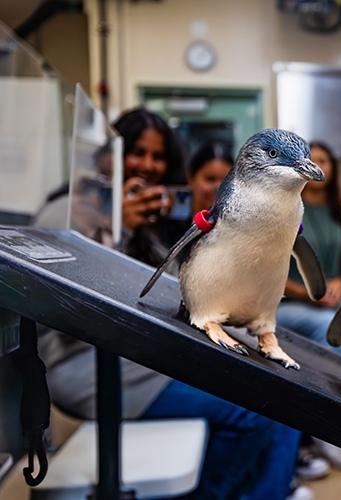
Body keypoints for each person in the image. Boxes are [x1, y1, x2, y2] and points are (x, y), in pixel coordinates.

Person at [34, 108, 307, 500]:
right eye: (136, 152)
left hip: (142, 352)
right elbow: (77, 295)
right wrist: (121, 228)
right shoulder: (73, 208)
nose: (147, 164)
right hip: (93, 363)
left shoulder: (158, 212)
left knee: (281, 395)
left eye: (158, 156)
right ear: (110, 152)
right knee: (266, 408)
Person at [276, 141, 341, 473]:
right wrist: (308, 294)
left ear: (332, 167)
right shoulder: (284, 208)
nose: (318, 164)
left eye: (324, 159)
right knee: (329, 331)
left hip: (330, 301)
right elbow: (269, 271)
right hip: (288, 303)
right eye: (312, 159)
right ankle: (331, 429)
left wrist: (340, 282)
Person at [187, 142, 234, 216]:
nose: (218, 187)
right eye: (210, 179)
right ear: (191, 178)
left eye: (226, 181)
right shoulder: (172, 223)